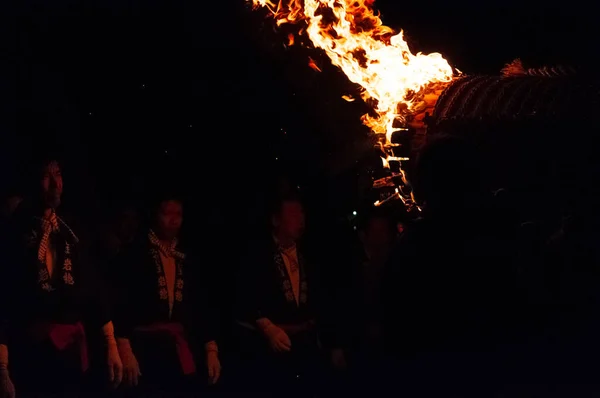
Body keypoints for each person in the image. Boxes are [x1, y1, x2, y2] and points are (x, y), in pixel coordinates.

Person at [0, 157, 123, 397]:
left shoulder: (71, 228)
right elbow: (5, 295)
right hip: (31, 351)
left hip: (73, 352)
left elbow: (93, 284)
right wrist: (2, 366)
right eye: (47, 176)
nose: (55, 183)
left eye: (58, 174)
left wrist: (112, 342)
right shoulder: (16, 232)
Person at [111, 194, 221, 395]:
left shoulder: (187, 256)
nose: (173, 220)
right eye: (167, 213)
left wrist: (210, 348)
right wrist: (124, 349)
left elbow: (201, 304)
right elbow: (121, 302)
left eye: (178, 214)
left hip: (180, 347)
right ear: (155, 214)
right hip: (144, 348)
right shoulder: (135, 252)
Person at [233, 193, 340, 395]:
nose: (300, 219)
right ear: (275, 220)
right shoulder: (256, 256)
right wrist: (266, 326)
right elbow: (243, 299)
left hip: (308, 348)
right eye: (292, 214)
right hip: (271, 351)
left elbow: (326, 300)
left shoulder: (311, 256)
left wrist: (334, 343)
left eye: (301, 213)